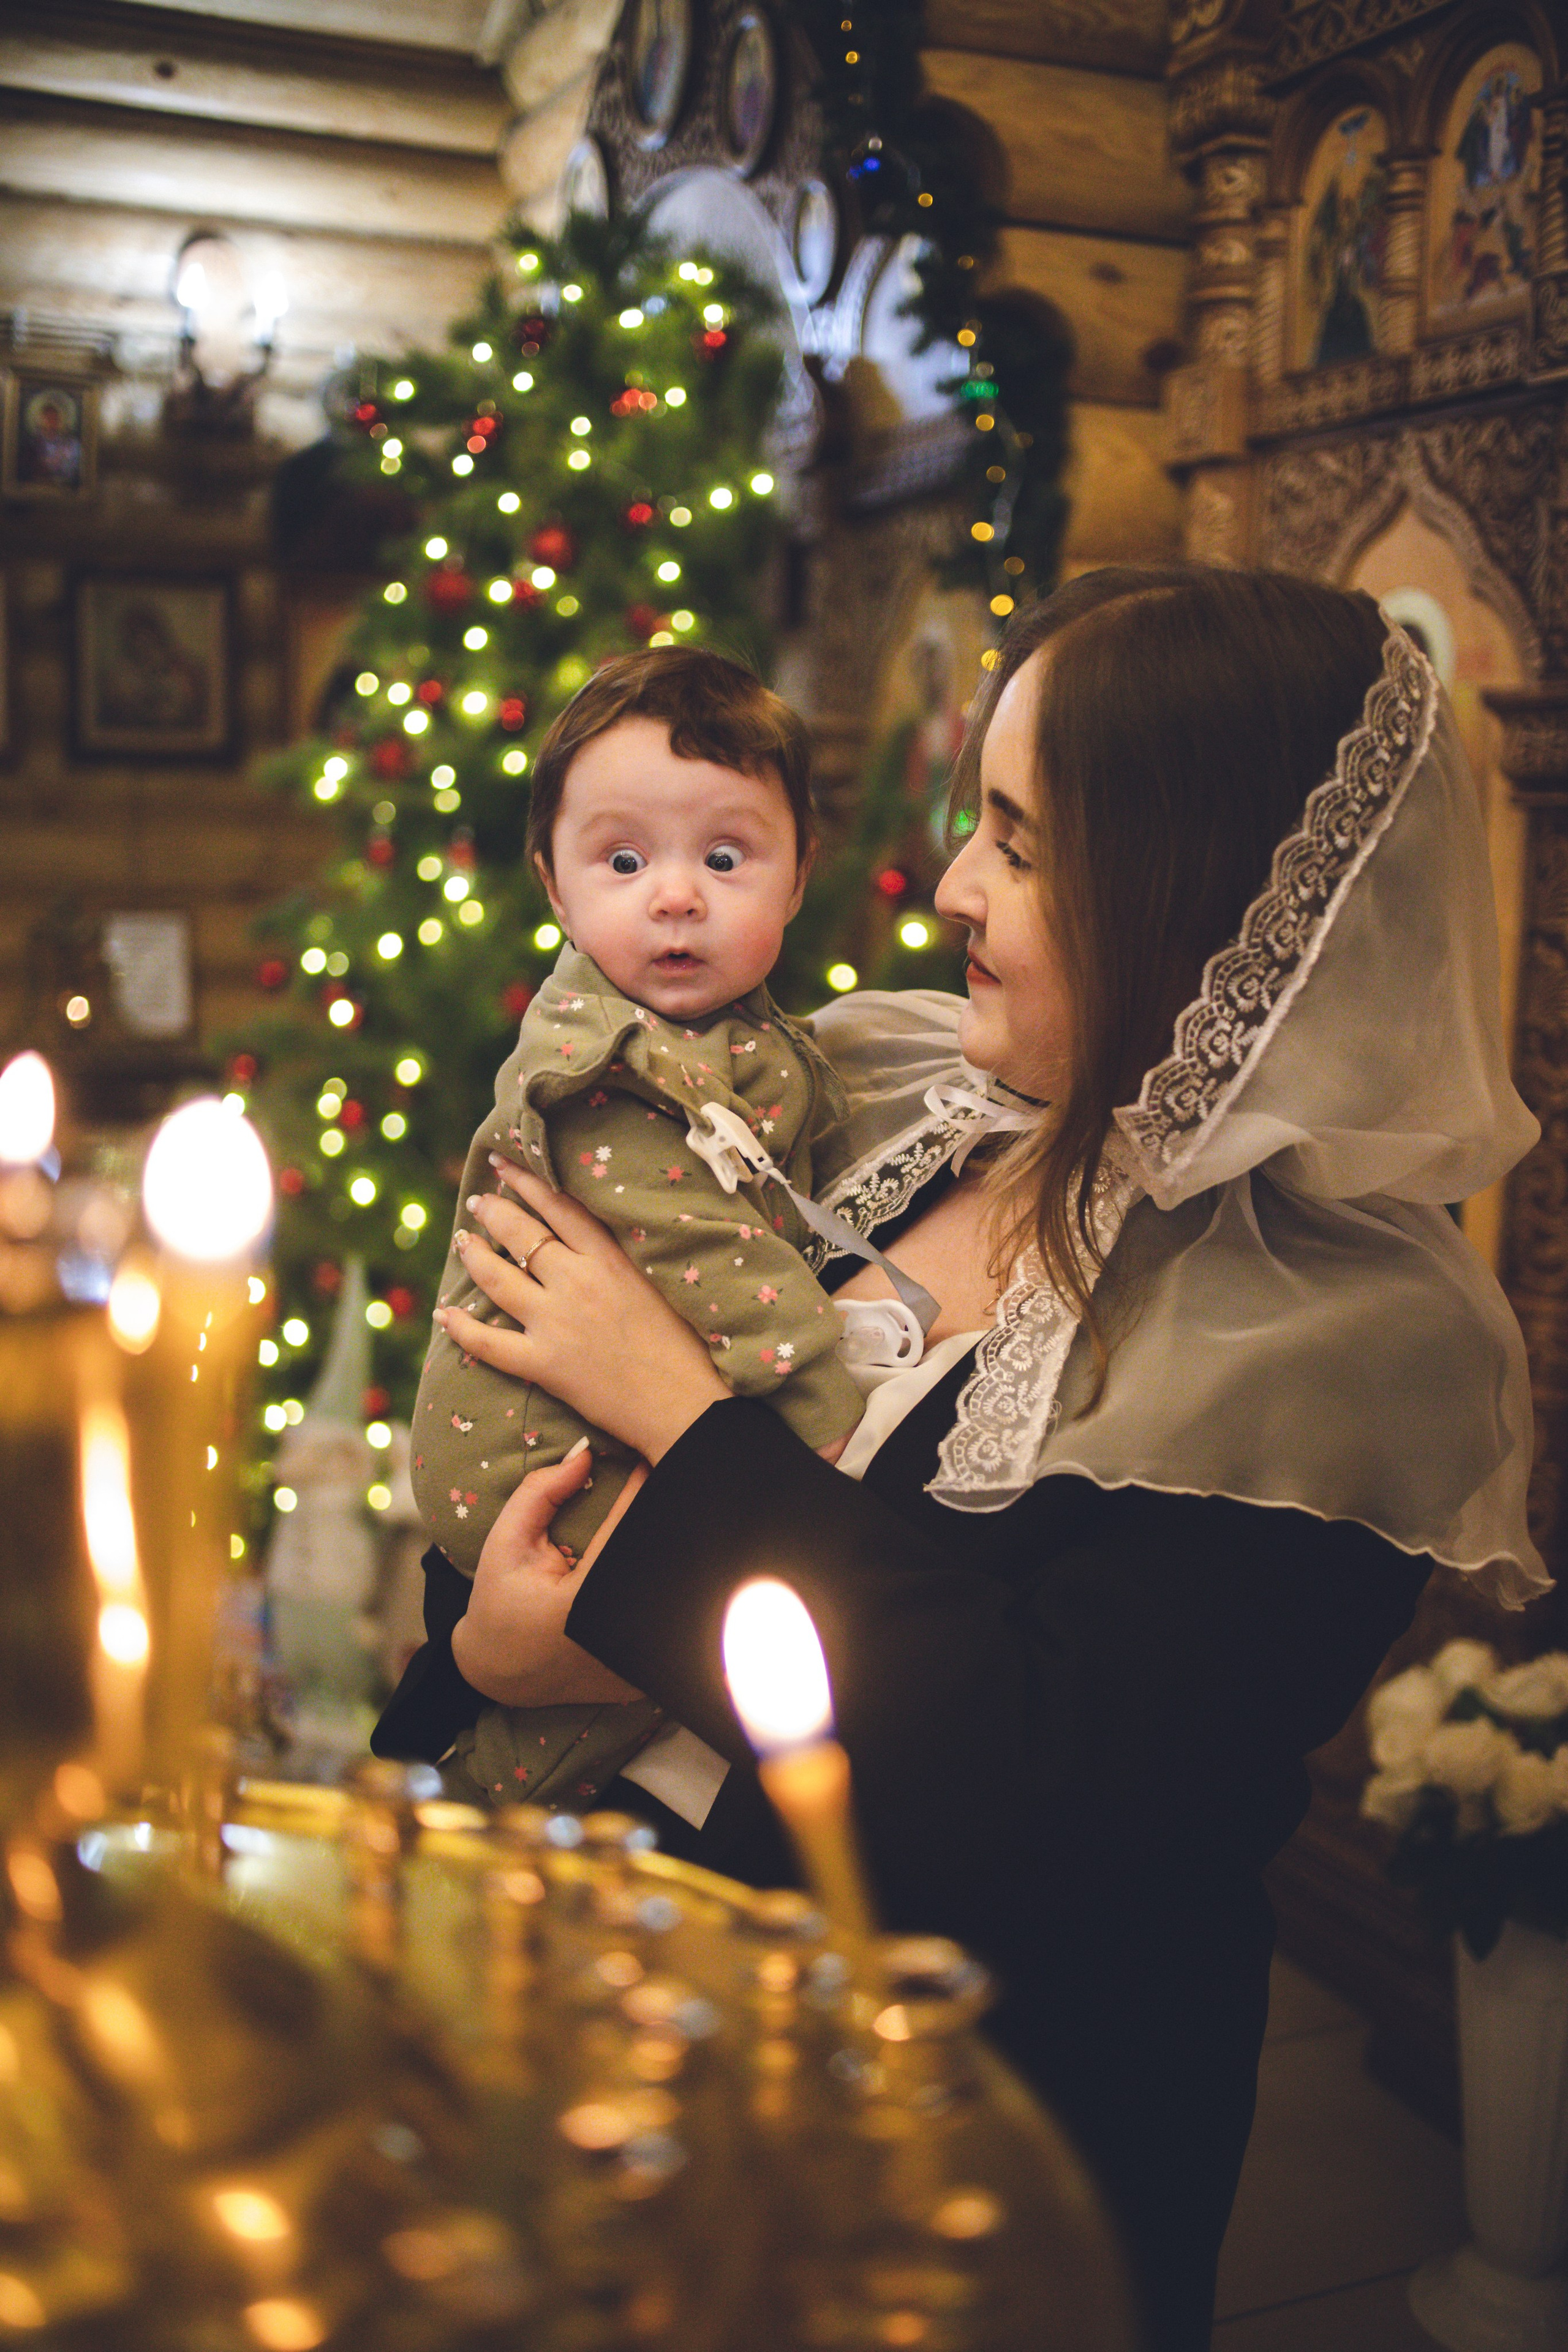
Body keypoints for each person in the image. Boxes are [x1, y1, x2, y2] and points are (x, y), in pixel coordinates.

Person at [374, 567, 1548, 2350]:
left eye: (1023, 840)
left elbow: (1040, 1786)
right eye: (973, 825)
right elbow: (521, 1419)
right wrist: (478, 1650)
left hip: (963, 2132)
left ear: (1198, 888)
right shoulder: (876, 1097)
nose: (956, 889)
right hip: (634, 2025)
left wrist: (682, 1430)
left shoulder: (1349, 1347)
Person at [405, 648, 924, 1807]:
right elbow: (696, 1244)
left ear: (797, 882)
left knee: (690, 1634)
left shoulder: (744, 1037)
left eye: (726, 857)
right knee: (646, 1648)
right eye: (625, 860)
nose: (676, 894)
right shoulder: (601, 1068)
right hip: (525, 1446)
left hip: (594, 1412)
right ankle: (500, 1801)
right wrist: (815, 1405)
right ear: (555, 884)